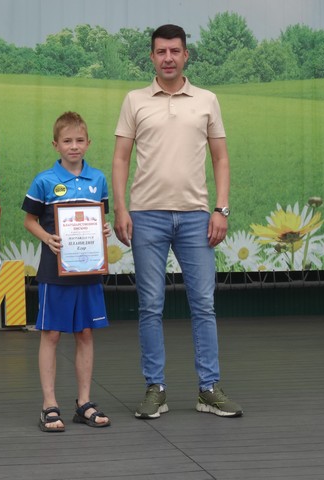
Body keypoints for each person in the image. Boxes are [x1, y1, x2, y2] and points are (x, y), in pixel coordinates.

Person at [111, 24, 243, 419]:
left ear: (186, 55)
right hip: (145, 216)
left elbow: (221, 158)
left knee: (203, 304)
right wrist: (121, 209)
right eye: (161, 52)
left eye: (174, 51)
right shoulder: (135, 100)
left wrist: (221, 209)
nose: (168, 58)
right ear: (152, 57)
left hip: (196, 217)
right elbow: (121, 158)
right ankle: (156, 389)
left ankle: (208, 389)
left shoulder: (207, 100)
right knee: (150, 306)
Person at [22, 111, 111, 432]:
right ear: (55, 145)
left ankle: (83, 403)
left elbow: (99, 219)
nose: (74, 146)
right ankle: (49, 405)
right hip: (54, 271)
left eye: (79, 140)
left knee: (85, 332)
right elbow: (29, 221)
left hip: (88, 269)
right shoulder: (44, 180)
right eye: (67, 141)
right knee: (52, 334)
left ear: (88, 143)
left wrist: (103, 231)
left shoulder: (98, 180)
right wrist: (48, 238)